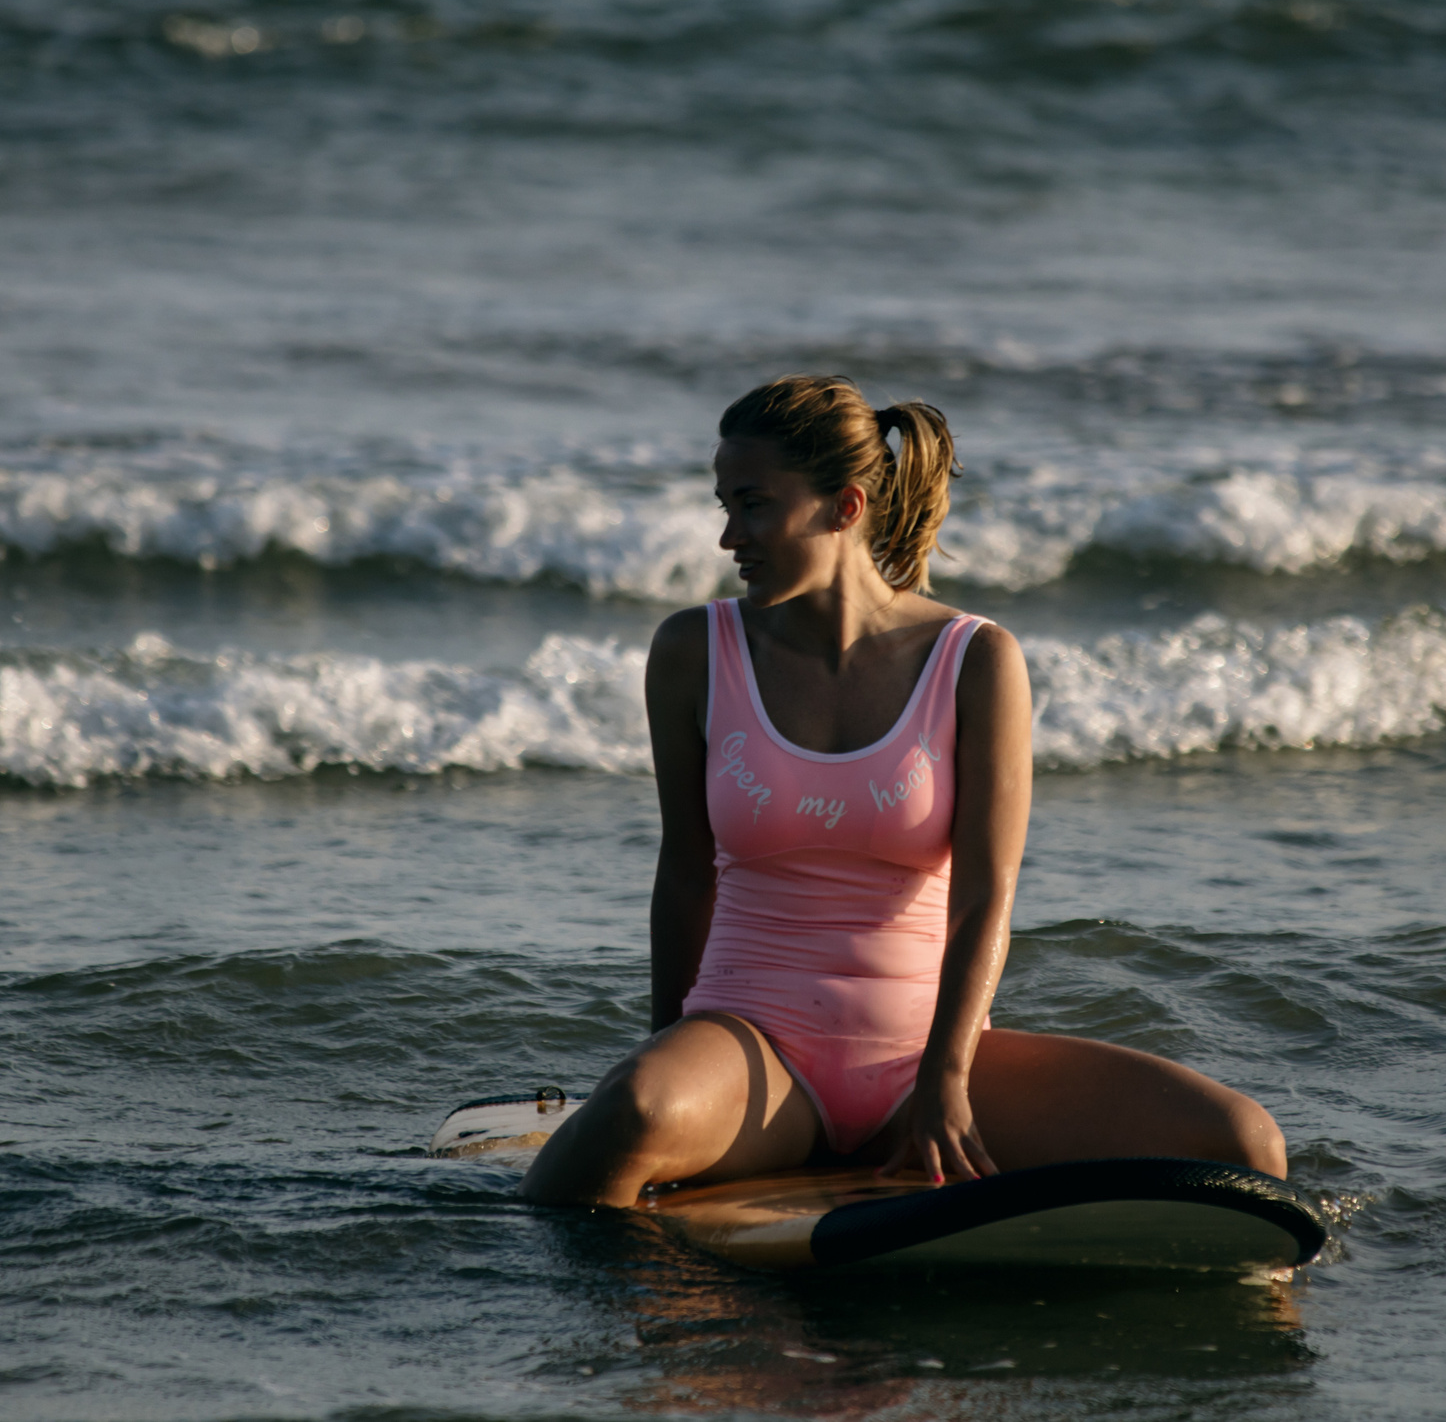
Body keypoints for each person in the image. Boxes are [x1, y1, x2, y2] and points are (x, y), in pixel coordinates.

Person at [520, 375, 1286, 1207]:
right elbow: (684, 871)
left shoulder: (974, 660)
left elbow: (985, 894)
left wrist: (944, 1079)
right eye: (724, 506)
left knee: (1243, 1143)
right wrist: (668, 1057)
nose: (728, 536)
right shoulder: (695, 650)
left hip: (926, 1057)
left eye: (753, 505)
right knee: (632, 1116)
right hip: (752, 1052)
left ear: (844, 506)